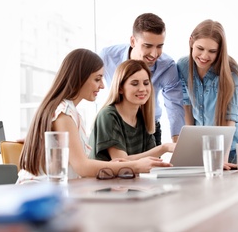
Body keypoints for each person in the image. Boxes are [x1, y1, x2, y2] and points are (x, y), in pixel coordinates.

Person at [17, 48, 172, 183]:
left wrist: (116, 165)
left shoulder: (69, 111)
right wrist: (133, 165)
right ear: (80, 77)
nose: (103, 85)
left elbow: (79, 163)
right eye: (97, 79)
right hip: (39, 191)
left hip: (57, 189)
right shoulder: (64, 113)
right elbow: (82, 167)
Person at [98, 13, 185, 145]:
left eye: (159, 46)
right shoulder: (107, 57)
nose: (155, 54)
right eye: (148, 46)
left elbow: (174, 105)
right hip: (116, 125)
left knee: (152, 165)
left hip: (149, 127)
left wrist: (179, 145)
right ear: (133, 41)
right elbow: (88, 82)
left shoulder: (167, 65)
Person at [176, 19, 238, 167]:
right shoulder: (182, 66)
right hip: (202, 151)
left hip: (229, 153)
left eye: (212, 51)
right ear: (191, 42)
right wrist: (191, 149)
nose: (204, 56)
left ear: (220, 50)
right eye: (200, 48)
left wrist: (222, 161)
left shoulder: (231, 73)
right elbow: (186, 107)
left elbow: (230, 119)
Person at [89, 60, 175, 161]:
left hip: (134, 177)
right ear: (120, 88)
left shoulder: (143, 117)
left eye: (146, 83)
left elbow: (151, 161)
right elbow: (122, 161)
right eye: (135, 84)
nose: (142, 89)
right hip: (108, 176)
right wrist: (164, 148)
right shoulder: (108, 115)